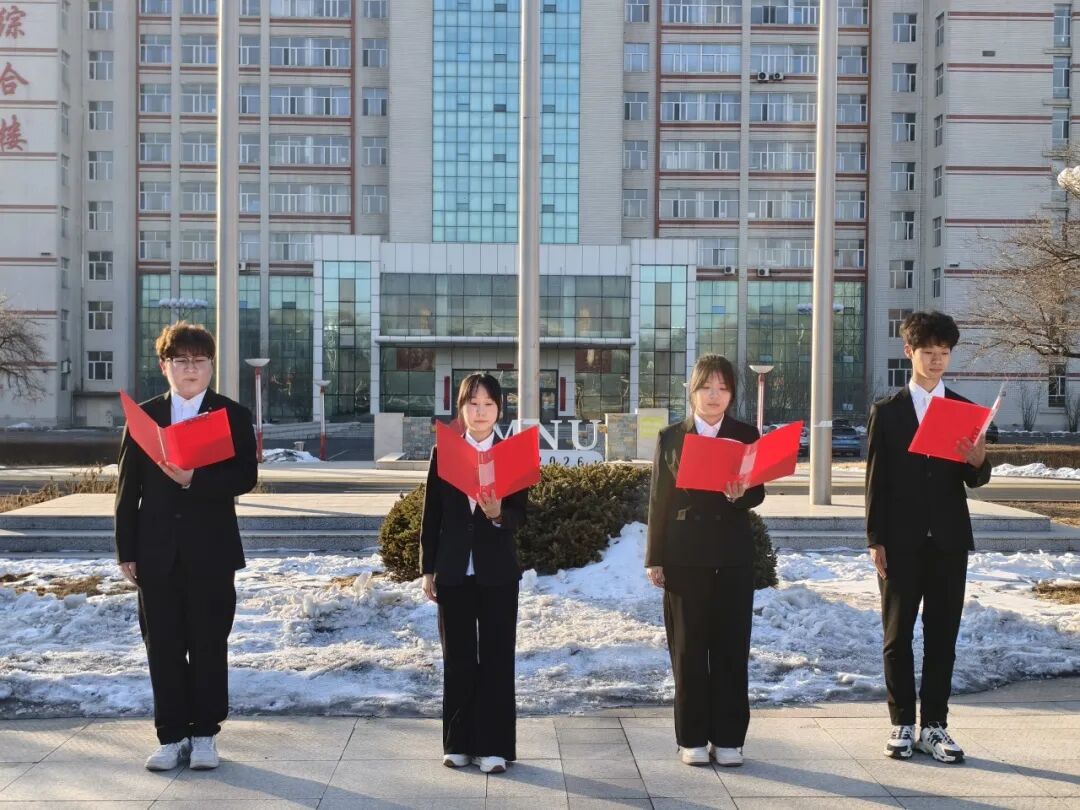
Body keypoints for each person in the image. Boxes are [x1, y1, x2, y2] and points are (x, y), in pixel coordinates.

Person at [114, 322, 258, 772]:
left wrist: (195, 479)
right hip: (156, 551)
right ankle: (170, 736)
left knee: (209, 643)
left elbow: (246, 476)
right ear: (165, 366)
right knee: (163, 646)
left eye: (199, 360)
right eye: (181, 360)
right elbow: (127, 488)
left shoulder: (232, 414)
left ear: (211, 366)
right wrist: (126, 549)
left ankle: (204, 735)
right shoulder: (145, 416)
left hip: (211, 550)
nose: (190, 368)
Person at [865, 311, 991, 763]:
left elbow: (975, 480)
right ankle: (901, 722)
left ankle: (934, 726)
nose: (936, 361)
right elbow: (876, 480)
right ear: (909, 352)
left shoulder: (964, 410)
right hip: (900, 541)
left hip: (949, 542)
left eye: (944, 353)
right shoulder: (888, 411)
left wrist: (978, 461)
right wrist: (875, 539)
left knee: (943, 637)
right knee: (897, 636)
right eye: (928, 352)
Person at [645, 354, 765, 768]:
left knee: (731, 647)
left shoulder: (745, 434)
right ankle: (692, 737)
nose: (714, 396)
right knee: (689, 649)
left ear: (732, 394)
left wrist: (740, 494)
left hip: (732, 556)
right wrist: (655, 557)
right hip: (684, 556)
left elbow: (758, 493)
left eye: (723, 388)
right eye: (706, 387)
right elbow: (659, 500)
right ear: (692, 390)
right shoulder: (672, 436)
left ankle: (729, 738)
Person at [419, 373, 529, 775]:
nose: (480, 412)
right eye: (473, 403)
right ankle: (458, 742)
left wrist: (499, 514)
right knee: (458, 657)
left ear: (499, 409)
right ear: (461, 408)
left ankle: (494, 746)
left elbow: (521, 514)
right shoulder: (444, 452)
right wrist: (427, 568)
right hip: (453, 570)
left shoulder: (512, 453)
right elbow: (432, 515)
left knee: (497, 657)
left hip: (497, 571)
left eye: (488, 404)